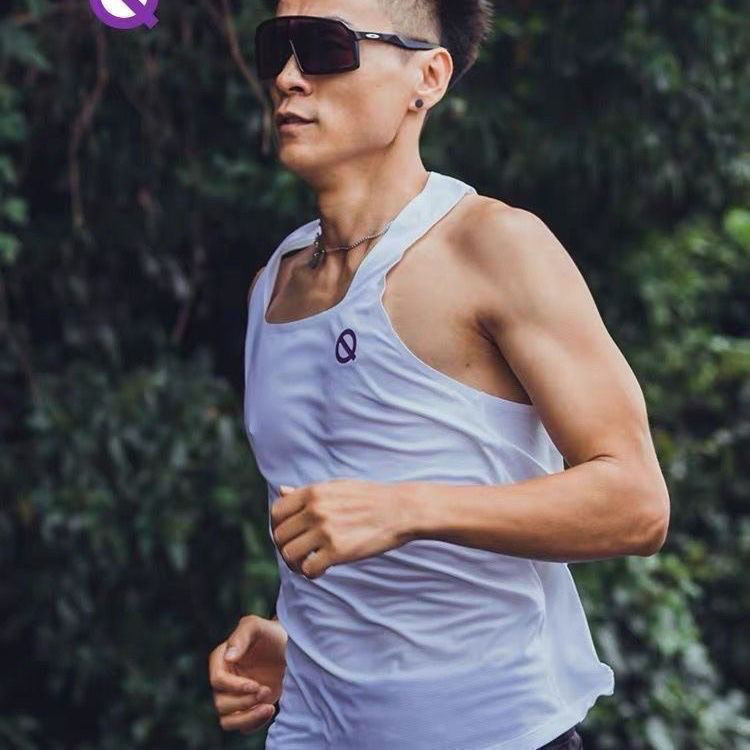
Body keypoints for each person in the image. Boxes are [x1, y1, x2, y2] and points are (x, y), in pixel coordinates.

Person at [207, 2, 671, 748]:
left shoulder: (493, 247)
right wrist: (298, 645)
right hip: (312, 731)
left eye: (324, 47)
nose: (288, 77)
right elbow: (333, 528)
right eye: (277, 48)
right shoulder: (273, 286)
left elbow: (636, 503)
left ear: (427, 76)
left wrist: (409, 507)